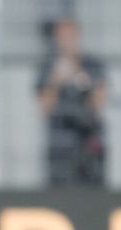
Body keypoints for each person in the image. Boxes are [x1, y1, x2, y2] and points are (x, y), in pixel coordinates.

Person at [36, 18, 107, 187]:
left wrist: (82, 79)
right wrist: (56, 80)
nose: (67, 40)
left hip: (88, 141)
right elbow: (44, 107)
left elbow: (99, 103)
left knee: (92, 193)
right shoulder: (48, 67)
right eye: (63, 36)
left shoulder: (91, 64)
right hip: (60, 143)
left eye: (70, 35)